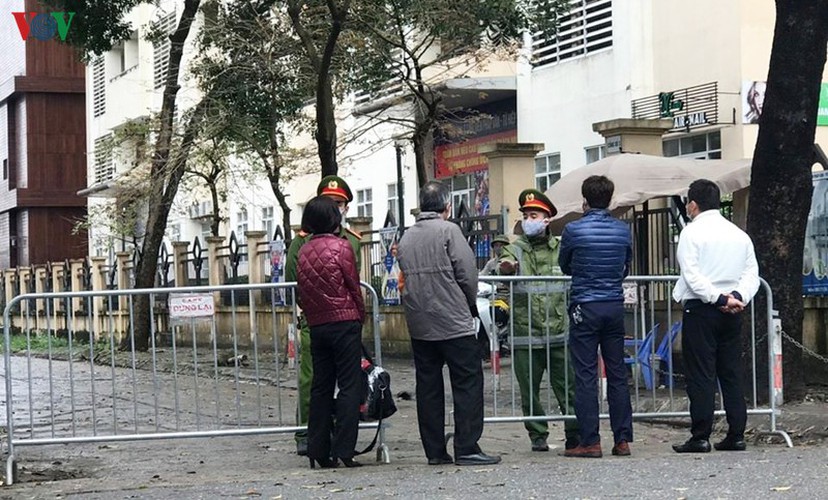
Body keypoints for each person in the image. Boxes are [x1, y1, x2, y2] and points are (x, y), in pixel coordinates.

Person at [397, 180, 501, 466]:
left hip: (420, 321)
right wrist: (469, 303)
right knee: (467, 381)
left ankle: (434, 451)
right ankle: (466, 446)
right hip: (453, 320)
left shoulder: (406, 236)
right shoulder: (449, 231)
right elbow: (467, 273)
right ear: (447, 206)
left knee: (428, 386)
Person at [671, 179, 759, 454]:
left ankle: (700, 435)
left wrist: (717, 298)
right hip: (733, 311)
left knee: (701, 374)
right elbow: (751, 274)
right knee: (731, 372)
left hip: (701, 308)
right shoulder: (738, 234)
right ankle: (736, 433)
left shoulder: (692, 233)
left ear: (693, 204)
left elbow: (692, 275)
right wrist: (737, 297)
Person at [496, 189, 580, 452]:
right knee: (529, 391)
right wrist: (507, 269)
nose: (528, 220)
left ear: (547, 219)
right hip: (526, 331)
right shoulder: (514, 248)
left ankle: (574, 433)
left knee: (568, 388)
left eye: (534, 215)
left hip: (558, 332)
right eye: (525, 216)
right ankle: (538, 435)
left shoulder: (562, 248)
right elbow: (505, 263)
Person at [285, 175, 362, 456]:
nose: (334, 208)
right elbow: (293, 282)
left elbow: (356, 279)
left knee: (346, 381)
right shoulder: (301, 243)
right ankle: (308, 432)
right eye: (329, 203)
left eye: (339, 203)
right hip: (316, 320)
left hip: (340, 320)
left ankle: (335, 436)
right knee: (313, 380)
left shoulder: (351, 241)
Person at [559, 175, 633, 459]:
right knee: (617, 374)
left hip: (584, 307)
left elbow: (565, 265)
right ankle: (622, 438)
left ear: (585, 201)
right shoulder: (622, 230)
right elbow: (626, 266)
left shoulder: (573, 230)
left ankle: (590, 440)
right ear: (611, 200)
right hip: (614, 305)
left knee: (586, 375)